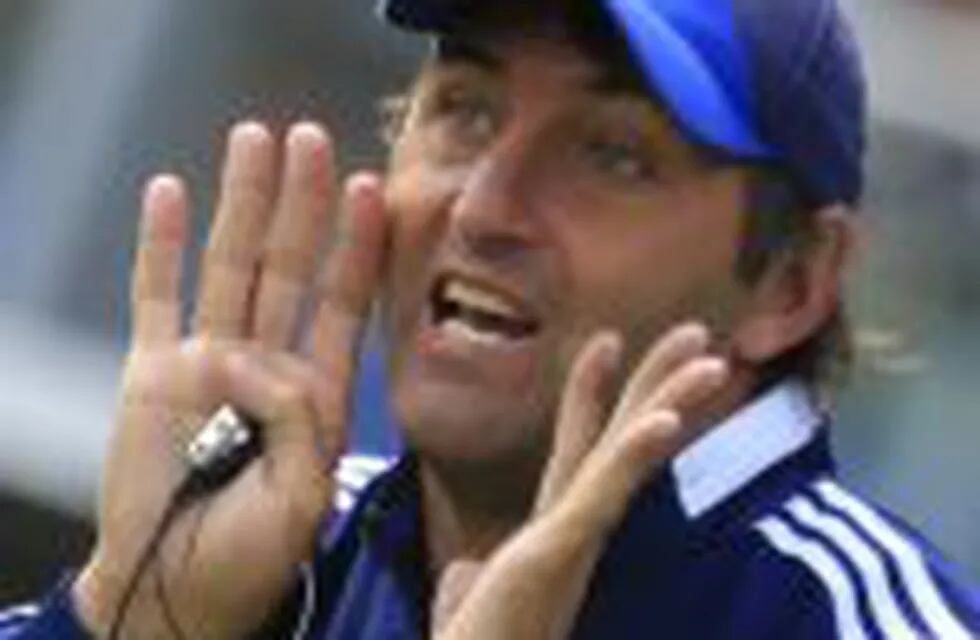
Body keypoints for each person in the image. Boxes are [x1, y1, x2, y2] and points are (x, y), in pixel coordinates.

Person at [3, 0, 979, 637]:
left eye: (612, 153)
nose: (481, 207)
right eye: (465, 110)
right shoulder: (269, 540)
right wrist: (122, 621)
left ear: (791, 282)